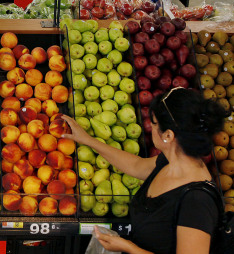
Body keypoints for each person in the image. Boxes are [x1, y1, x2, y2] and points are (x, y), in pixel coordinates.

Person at [62, 87, 225, 254]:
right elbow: (136, 165)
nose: (150, 127)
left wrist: (129, 248)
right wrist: (87, 140)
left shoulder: (197, 201)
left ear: (168, 135)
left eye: (153, 123)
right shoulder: (170, 162)